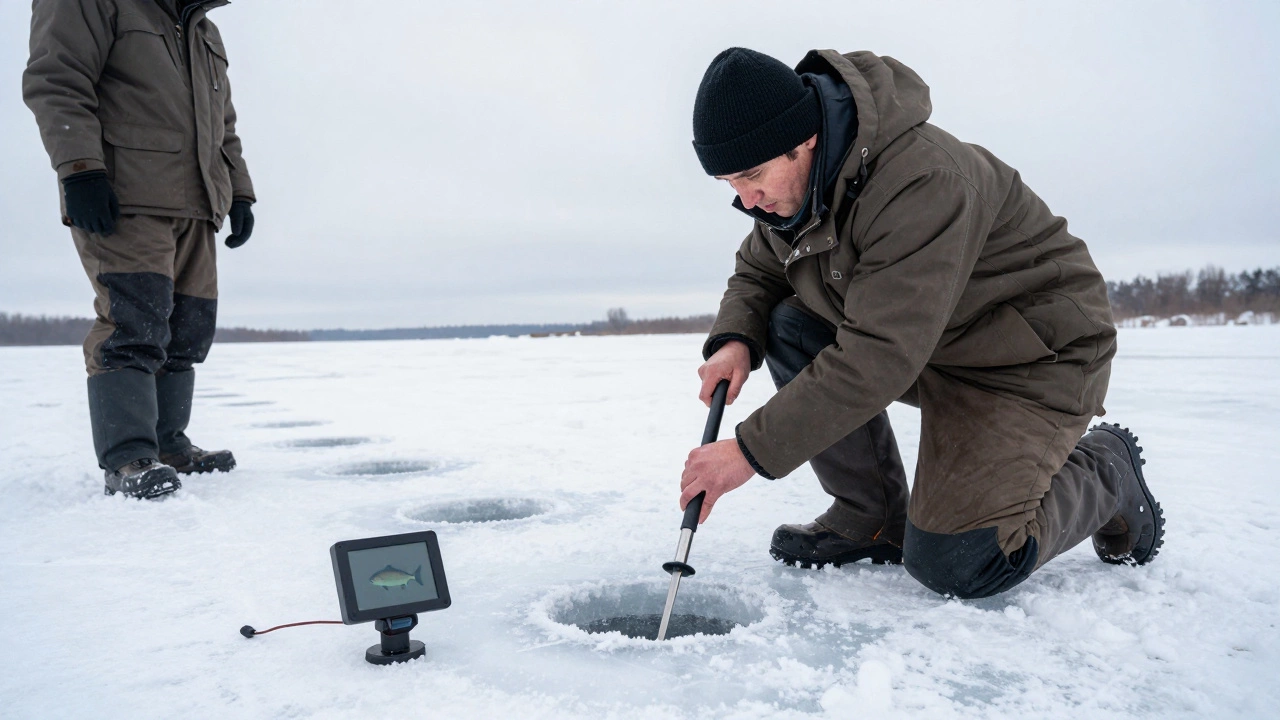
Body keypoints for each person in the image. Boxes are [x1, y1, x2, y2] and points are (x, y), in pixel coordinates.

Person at [679, 47, 1164, 598]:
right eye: (730, 184)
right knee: (789, 323)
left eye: (752, 176)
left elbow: (879, 355)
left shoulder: (921, 181)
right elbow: (758, 268)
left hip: (1029, 360)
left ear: (805, 138)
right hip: (938, 348)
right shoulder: (798, 193)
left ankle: (1107, 471)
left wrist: (746, 452)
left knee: (962, 562)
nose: (748, 200)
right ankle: (874, 517)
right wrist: (735, 339)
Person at [23, 0, 256, 499]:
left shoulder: (204, 29)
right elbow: (56, 80)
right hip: (125, 195)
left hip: (197, 201)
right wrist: (80, 168)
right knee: (135, 322)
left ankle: (169, 445)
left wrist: (238, 191)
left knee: (188, 329)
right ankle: (128, 458)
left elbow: (224, 125)